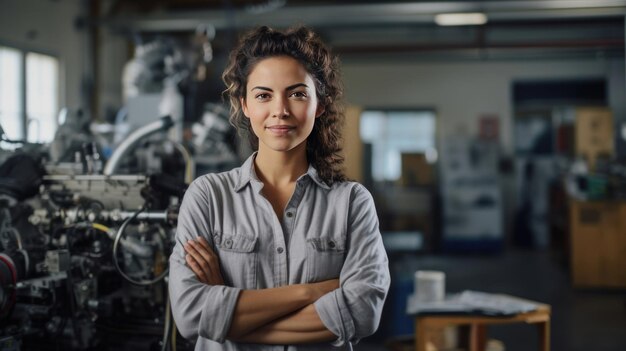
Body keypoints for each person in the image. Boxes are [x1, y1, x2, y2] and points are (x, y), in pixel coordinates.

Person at [168, 25, 390, 350]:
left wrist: (226, 317)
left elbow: (362, 313)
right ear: (244, 105)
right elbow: (190, 315)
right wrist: (312, 292)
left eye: (297, 94)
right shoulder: (208, 196)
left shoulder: (352, 203)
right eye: (263, 95)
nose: (280, 110)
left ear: (319, 106)